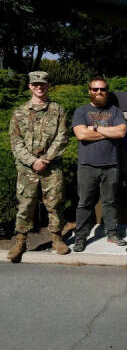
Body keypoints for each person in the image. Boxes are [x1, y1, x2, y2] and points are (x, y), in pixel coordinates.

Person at [8, 71, 69, 262]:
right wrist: (32, 161)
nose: (39, 87)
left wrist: (45, 159)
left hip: (51, 167)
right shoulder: (19, 112)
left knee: (55, 203)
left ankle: (56, 238)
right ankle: (20, 241)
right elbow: (15, 141)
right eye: (35, 84)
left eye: (42, 84)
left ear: (47, 85)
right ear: (30, 87)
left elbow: (62, 137)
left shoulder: (58, 110)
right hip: (27, 168)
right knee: (25, 204)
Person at [71, 77, 127, 252]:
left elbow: (121, 132)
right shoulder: (81, 111)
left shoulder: (115, 111)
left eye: (102, 89)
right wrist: (108, 132)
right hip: (87, 165)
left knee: (110, 202)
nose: (99, 92)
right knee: (84, 203)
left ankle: (112, 233)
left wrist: (94, 129)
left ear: (107, 91)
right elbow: (81, 135)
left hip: (110, 165)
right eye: (95, 89)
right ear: (89, 91)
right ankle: (80, 238)